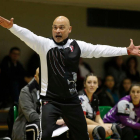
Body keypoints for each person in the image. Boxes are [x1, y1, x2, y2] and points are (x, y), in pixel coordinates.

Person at [0, 16, 140, 140]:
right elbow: (27, 35)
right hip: (50, 100)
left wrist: (125, 50)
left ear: (69, 29)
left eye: (61, 27)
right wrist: (11, 27)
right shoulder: (43, 45)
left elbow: (99, 50)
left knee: (82, 135)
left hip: (72, 101)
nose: (58, 31)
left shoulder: (77, 46)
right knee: (46, 134)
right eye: (55, 28)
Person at [12, 68, 67, 140]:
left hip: (48, 122)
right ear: (36, 77)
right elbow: (31, 116)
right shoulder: (25, 91)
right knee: (41, 126)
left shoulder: (52, 90)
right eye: (41, 76)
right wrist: (54, 121)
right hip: (26, 125)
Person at [78, 73, 121, 140]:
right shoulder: (81, 97)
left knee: (115, 128)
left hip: (92, 125)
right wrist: (101, 126)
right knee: (99, 130)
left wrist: (103, 126)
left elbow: (98, 117)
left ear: (97, 85)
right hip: (80, 125)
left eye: (95, 83)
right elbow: (83, 119)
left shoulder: (95, 97)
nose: (92, 85)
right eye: (89, 82)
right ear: (84, 84)